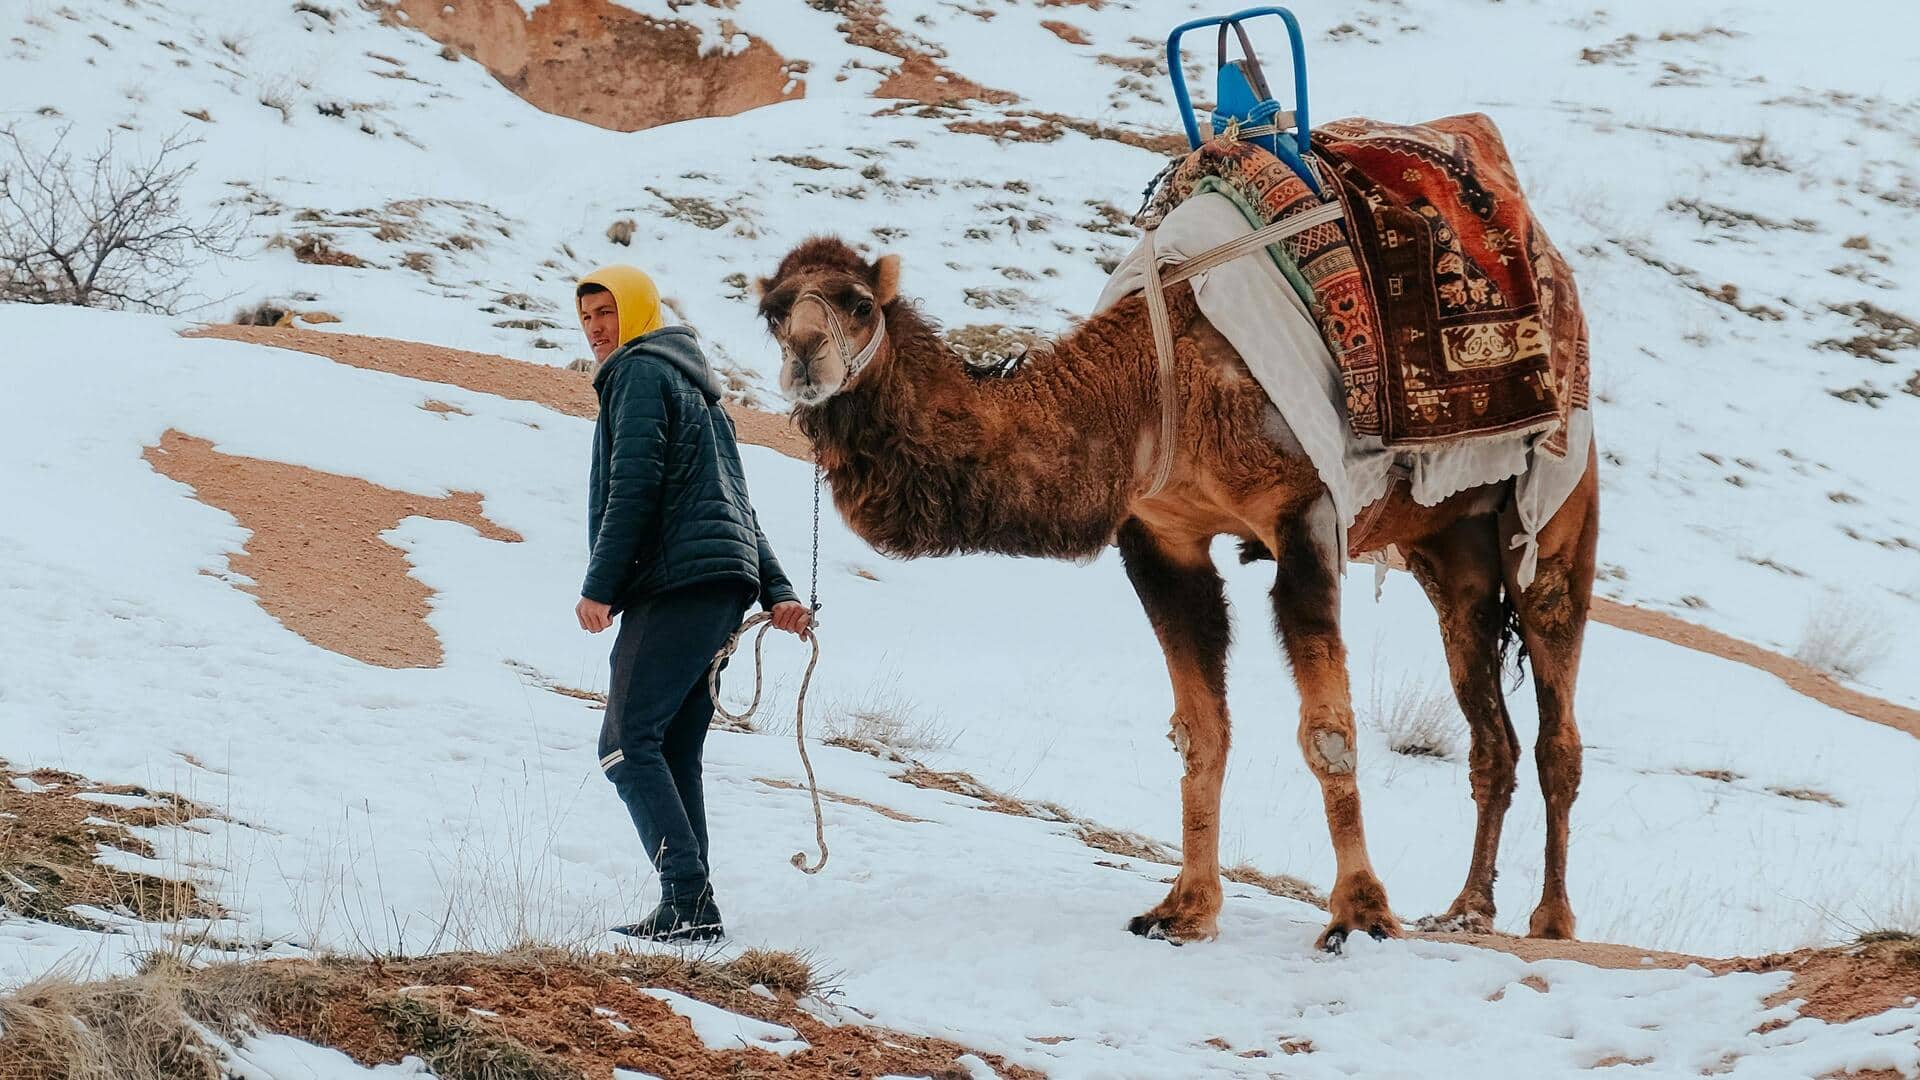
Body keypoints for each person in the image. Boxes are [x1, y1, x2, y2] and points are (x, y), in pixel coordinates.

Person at [573, 264, 812, 942]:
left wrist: (601, 585)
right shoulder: (700, 389)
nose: (596, 328)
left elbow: (634, 488)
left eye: (607, 313)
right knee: (673, 748)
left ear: (639, 312)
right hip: (715, 586)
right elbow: (736, 511)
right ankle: (692, 907)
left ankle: (686, 899)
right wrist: (779, 592)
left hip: (677, 586)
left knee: (624, 744)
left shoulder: (641, 374)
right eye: (588, 315)